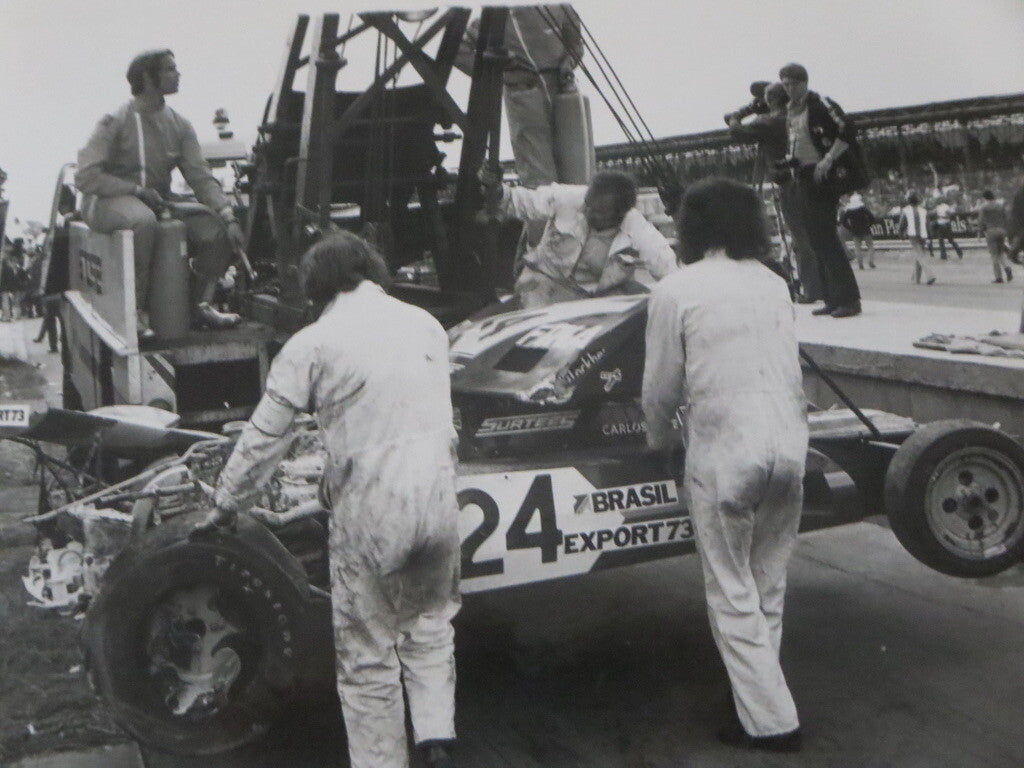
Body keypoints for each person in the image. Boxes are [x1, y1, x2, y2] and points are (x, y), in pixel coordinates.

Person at [198, 232, 462, 768]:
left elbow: (264, 438)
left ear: (315, 285)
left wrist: (226, 502)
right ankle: (437, 740)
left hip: (372, 516)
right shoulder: (428, 325)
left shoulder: (313, 344)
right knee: (430, 627)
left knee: (368, 658)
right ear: (371, 269)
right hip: (437, 501)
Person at [642, 178, 806, 753]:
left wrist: (657, 438)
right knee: (767, 585)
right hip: (789, 447)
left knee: (731, 590)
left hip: (724, 451)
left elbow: (661, 389)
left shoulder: (676, 289)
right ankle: (755, 702)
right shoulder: (773, 283)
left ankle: (771, 721)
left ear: (689, 227)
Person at [76, 49, 244, 336]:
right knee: (143, 221)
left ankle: (198, 306)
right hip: (103, 202)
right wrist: (135, 190)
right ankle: (136, 313)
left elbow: (200, 178)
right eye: (170, 69)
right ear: (147, 77)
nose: (178, 74)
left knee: (216, 229)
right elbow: (85, 176)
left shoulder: (179, 124)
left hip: (155, 202)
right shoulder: (115, 120)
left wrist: (228, 216)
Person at [482, 169, 677, 307]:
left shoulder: (638, 229)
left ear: (620, 214)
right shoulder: (566, 196)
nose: (588, 213)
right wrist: (499, 191)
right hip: (544, 283)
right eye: (587, 204)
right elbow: (522, 202)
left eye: (599, 211)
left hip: (595, 298)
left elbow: (668, 269)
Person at [780, 62, 867, 318]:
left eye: (794, 84)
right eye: (785, 85)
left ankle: (850, 299)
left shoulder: (821, 104)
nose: (790, 89)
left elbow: (848, 129)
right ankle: (832, 296)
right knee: (815, 237)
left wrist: (828, 159)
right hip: (802, 173)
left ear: (804, 82)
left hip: (823, 174)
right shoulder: (791, 111)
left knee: (826, 236)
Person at [727, 81, 823, 302]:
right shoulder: (794, 117)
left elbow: (734, 128)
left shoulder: (768, 122)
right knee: (813, 236)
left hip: (789, 184)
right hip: (807, 180)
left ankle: (811, 291)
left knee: (801, 239)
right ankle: (820, 287)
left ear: (771, 100)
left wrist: (744, 111)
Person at [899, 193, 937, 285]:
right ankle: (916, 278)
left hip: (913, 235)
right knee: (919, 254)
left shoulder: (906, 210)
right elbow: (928, 224)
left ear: (909, 201)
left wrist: (901, 234)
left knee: (920, 255)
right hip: (923, 235)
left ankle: (930, 275)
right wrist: (930, 236)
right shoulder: (924, 211)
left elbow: (902, 224)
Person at [975, 190, 1012, 284]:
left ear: (984, 198)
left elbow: (980, 220)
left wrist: (979, 233)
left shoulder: (984, 207)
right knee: (1001, 253)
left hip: (991, 231)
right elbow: (1006, 217)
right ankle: (1007, 267)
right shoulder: (1000, 205)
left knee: (994, 255)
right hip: (1001, 230)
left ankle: (999, 277)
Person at [839, 192, 876, 270]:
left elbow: (843, 221)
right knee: (870, 246)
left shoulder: (849, 210)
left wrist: (849, 227)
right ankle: (871, 261)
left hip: (855, 231)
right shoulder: (863, 208)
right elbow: (872, 217)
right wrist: (869, 225)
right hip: (866, 230)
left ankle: (860, 264)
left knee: (857, 248)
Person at [930, 194, 963, 260]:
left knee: (942, 241)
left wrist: (941, 216)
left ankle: (944, 255)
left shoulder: (941, 207)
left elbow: (934, 213)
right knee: (949, 240)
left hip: (942, 224)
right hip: (946, 224)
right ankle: (958, 252)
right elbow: (950, 214)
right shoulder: (944, 207)